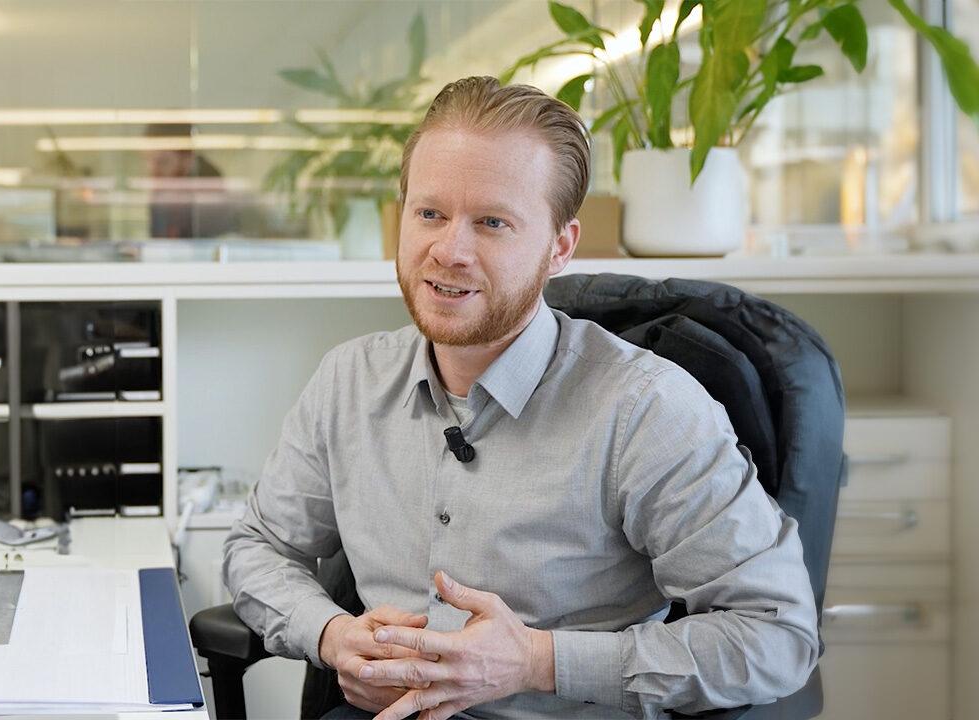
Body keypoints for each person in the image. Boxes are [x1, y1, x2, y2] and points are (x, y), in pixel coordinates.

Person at [224, 76, 818, 720]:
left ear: (559, 246)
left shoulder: (647, 409)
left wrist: (535, 661)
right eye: (430, 214)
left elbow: (775, 635)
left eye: (492, 222)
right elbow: (257, 545)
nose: (449, 251)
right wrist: (334, 638)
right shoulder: (349, 381)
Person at [143, 123, 237, 239]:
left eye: (163, 161)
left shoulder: (207, 182)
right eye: (148, 160)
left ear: (187, 158)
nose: (153, 171)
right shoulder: (162, 191)